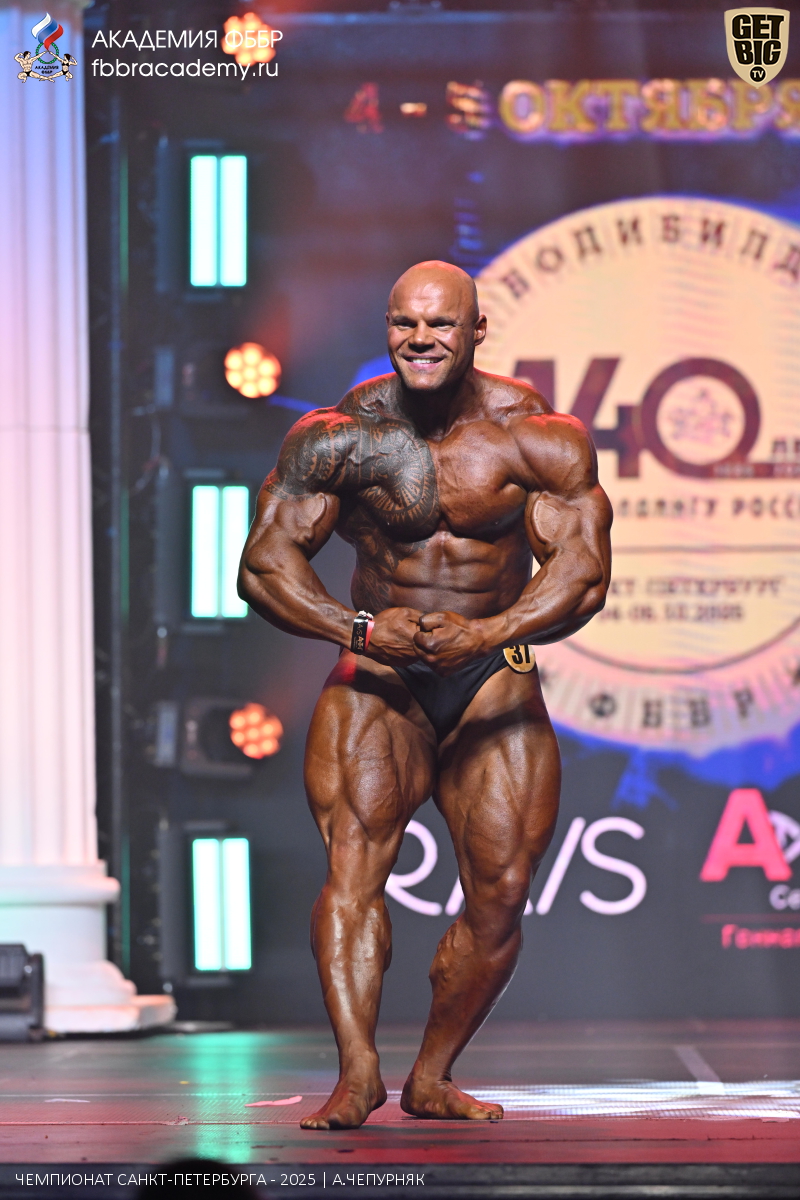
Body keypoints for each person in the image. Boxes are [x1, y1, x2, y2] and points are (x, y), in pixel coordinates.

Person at [239, 261, 612, 1130]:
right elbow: (263, 566)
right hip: (380, 675)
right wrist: (360, 630)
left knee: (502, 891)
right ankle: (358, 1073)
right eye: (404, 323)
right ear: (388, 328)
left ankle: (432, 1076)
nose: (421, 339)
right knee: (351, 872)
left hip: (493, 675)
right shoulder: (336, 436)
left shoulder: (537, 435)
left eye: (441, 324)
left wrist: (492, 632)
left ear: (476, 331)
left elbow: (584, 575)